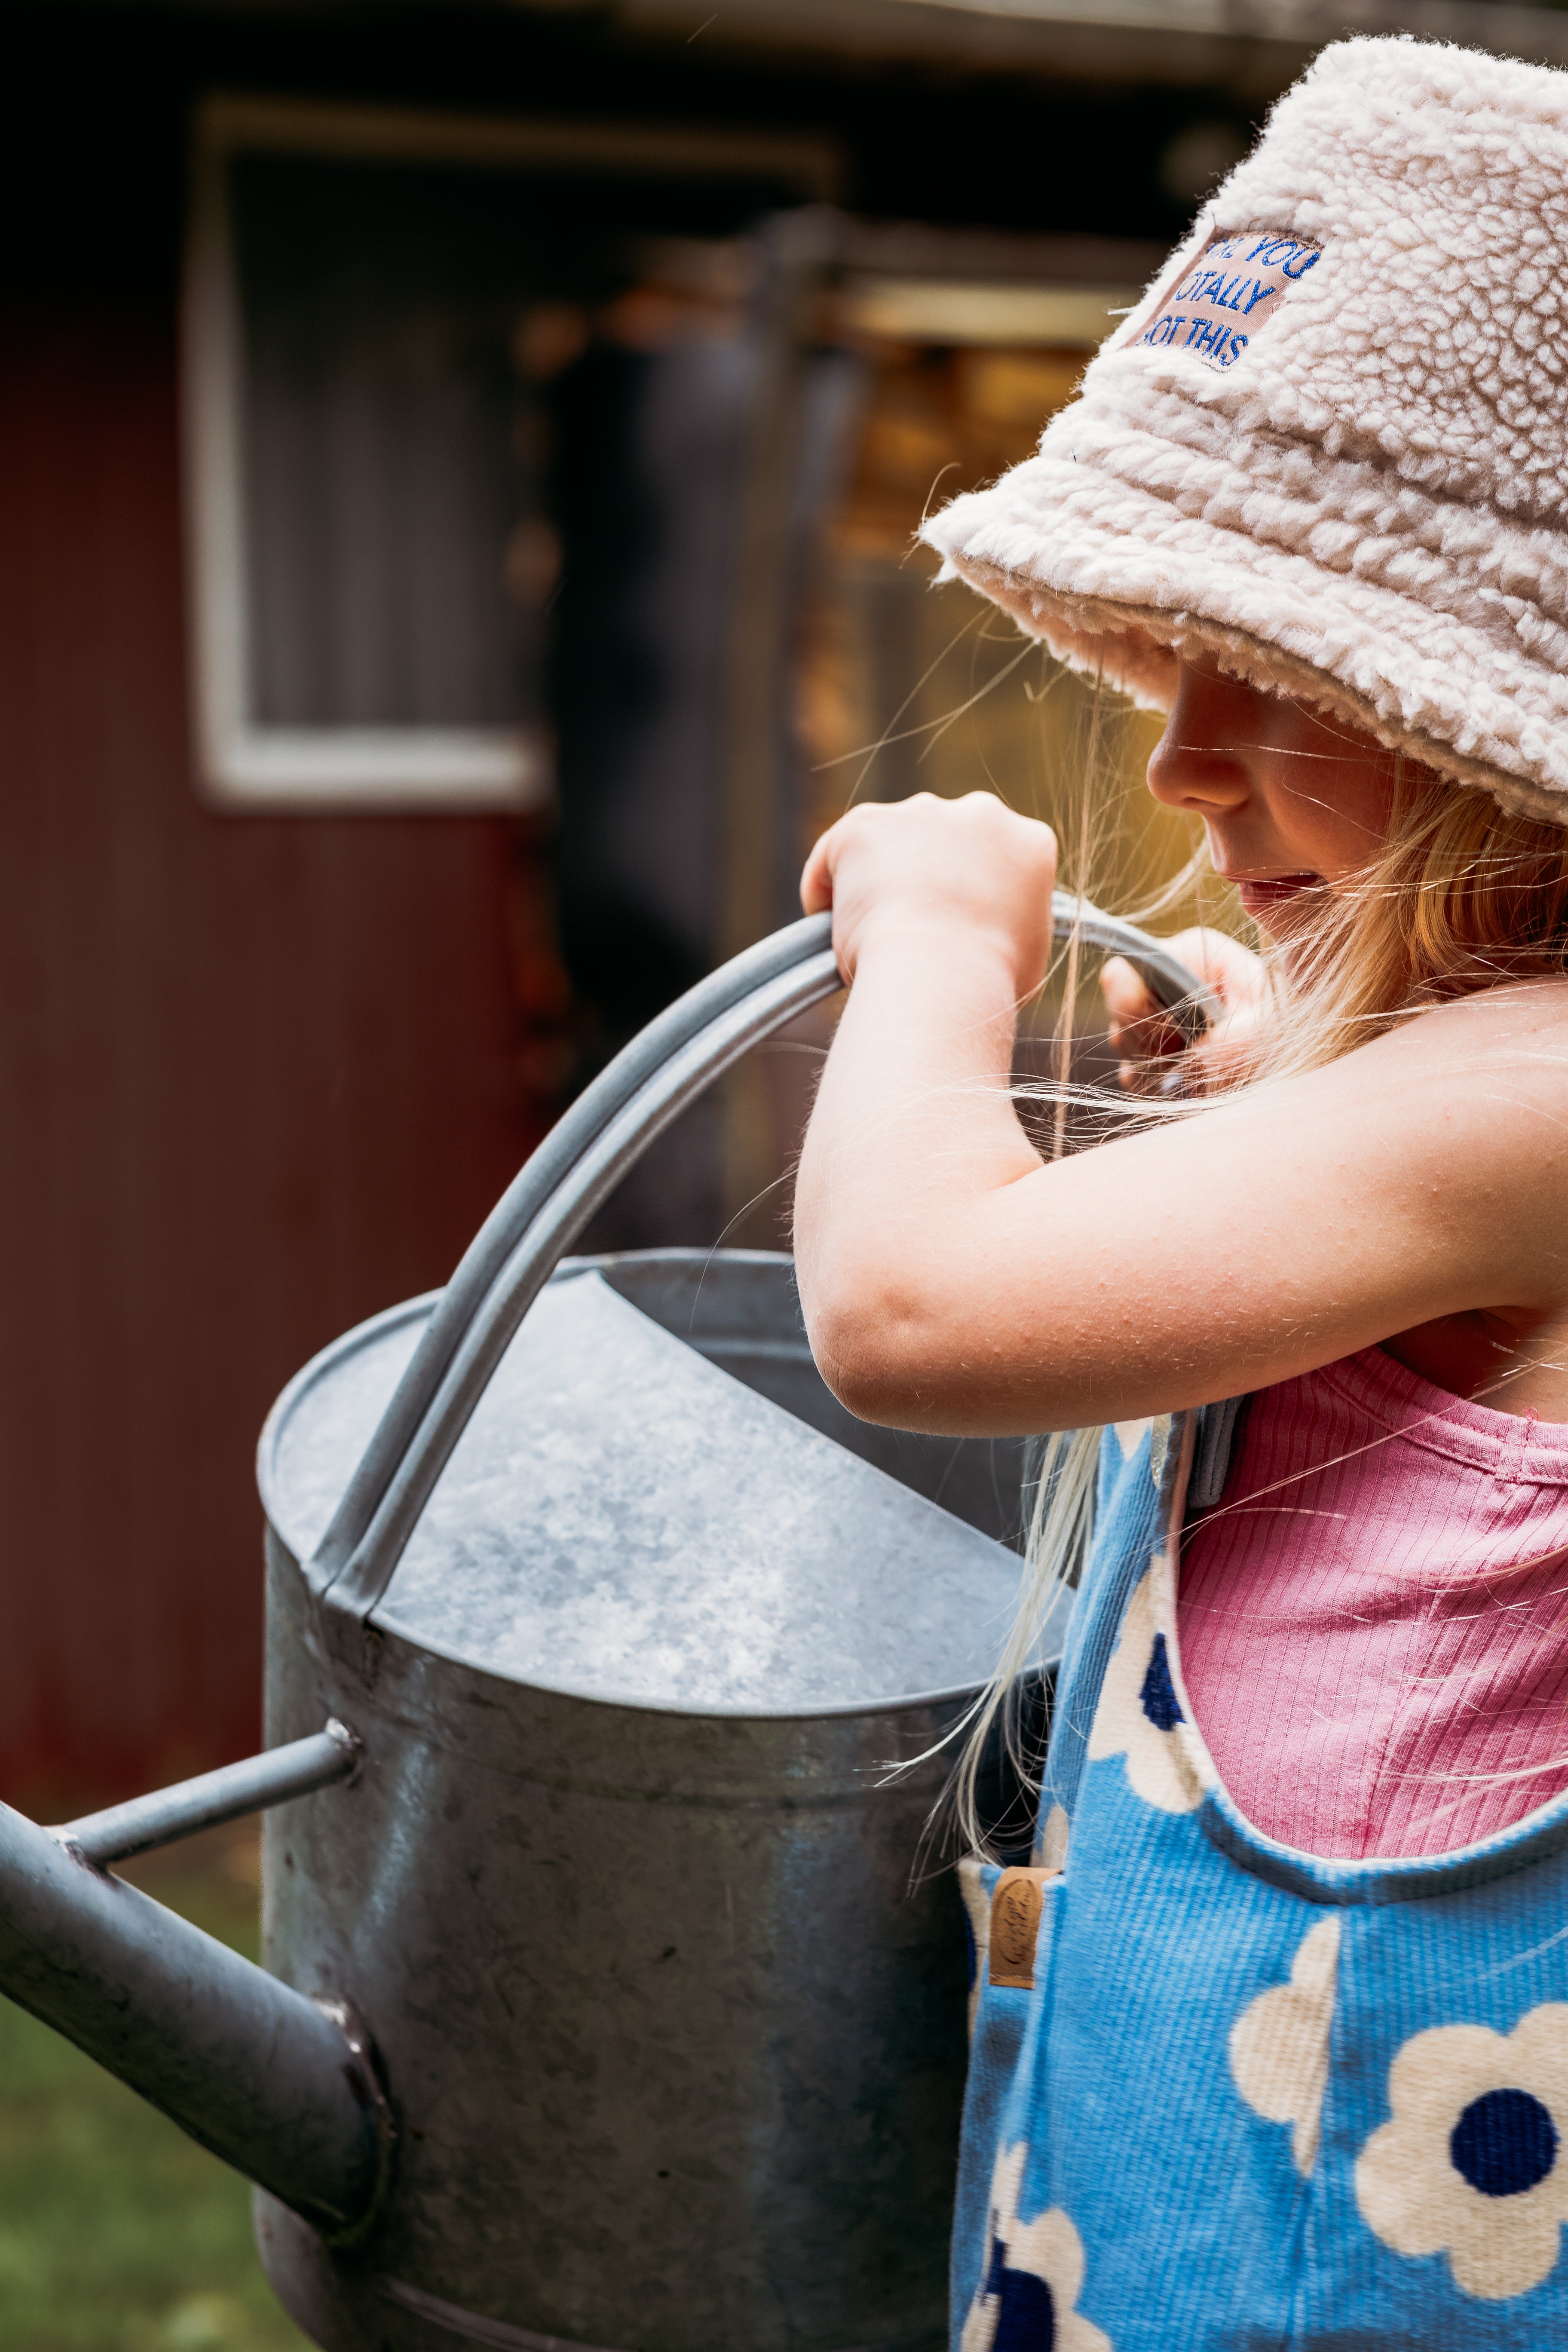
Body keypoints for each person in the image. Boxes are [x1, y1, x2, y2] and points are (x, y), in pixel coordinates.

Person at [791, 35, 1568, 2349]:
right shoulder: (1484, 1094)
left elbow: (914, 1304)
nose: (1174, 747)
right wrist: (1264, 1065)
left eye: (1268, 667)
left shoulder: (1537, 1098)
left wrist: (934, 954)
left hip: (1328, 2259)